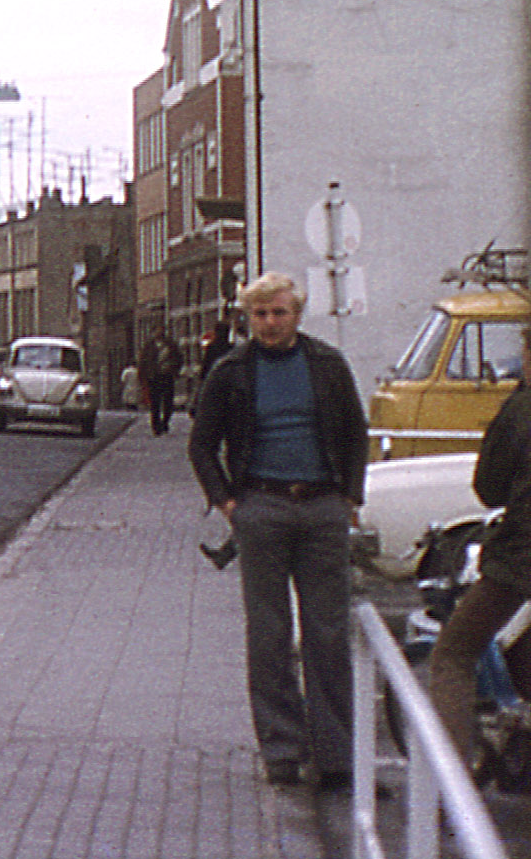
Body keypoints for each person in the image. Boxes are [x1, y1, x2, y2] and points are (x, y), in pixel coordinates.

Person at [189, 272, 370, 790]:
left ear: (297, 314)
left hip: (322, 510)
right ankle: (283, 750)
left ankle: (336, 757)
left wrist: (350, 498)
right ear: (249, 319)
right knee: (268, 635)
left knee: (329, 633)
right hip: (261, 509)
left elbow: (355, 433)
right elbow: (202, 444)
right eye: (260, 315)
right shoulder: (230, 370)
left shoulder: (328, 365)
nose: (270, 324)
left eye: (279, 313)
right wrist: (228, 504)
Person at [428, 322, 531, 777]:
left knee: (453, 653)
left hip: (525, 554)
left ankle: (451, 785)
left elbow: (489, 488)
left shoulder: (524, 409)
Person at [143, 331, 181, 436]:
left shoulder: (171, 345)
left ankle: (165, 421)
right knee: (155, 403)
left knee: (168, 402)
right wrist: (145, 375)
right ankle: (156, 426)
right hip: (154, 377)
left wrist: (175, 371)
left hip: (167, 376)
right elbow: (144, 360)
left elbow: (178, 358)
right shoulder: (149, 346)